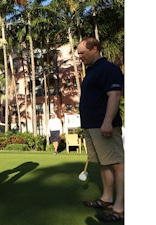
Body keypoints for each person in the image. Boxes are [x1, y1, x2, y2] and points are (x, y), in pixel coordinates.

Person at [77, 37, 124, 222]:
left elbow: (114, 95)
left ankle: (119, 208)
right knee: (104, 163)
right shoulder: (92, 70)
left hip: (103, 124)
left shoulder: (108, 68)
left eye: (82, 52)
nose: (79, 56)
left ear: (95, 49)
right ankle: (106, 199)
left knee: (117, 164)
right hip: (91, 125)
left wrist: (107, 121)